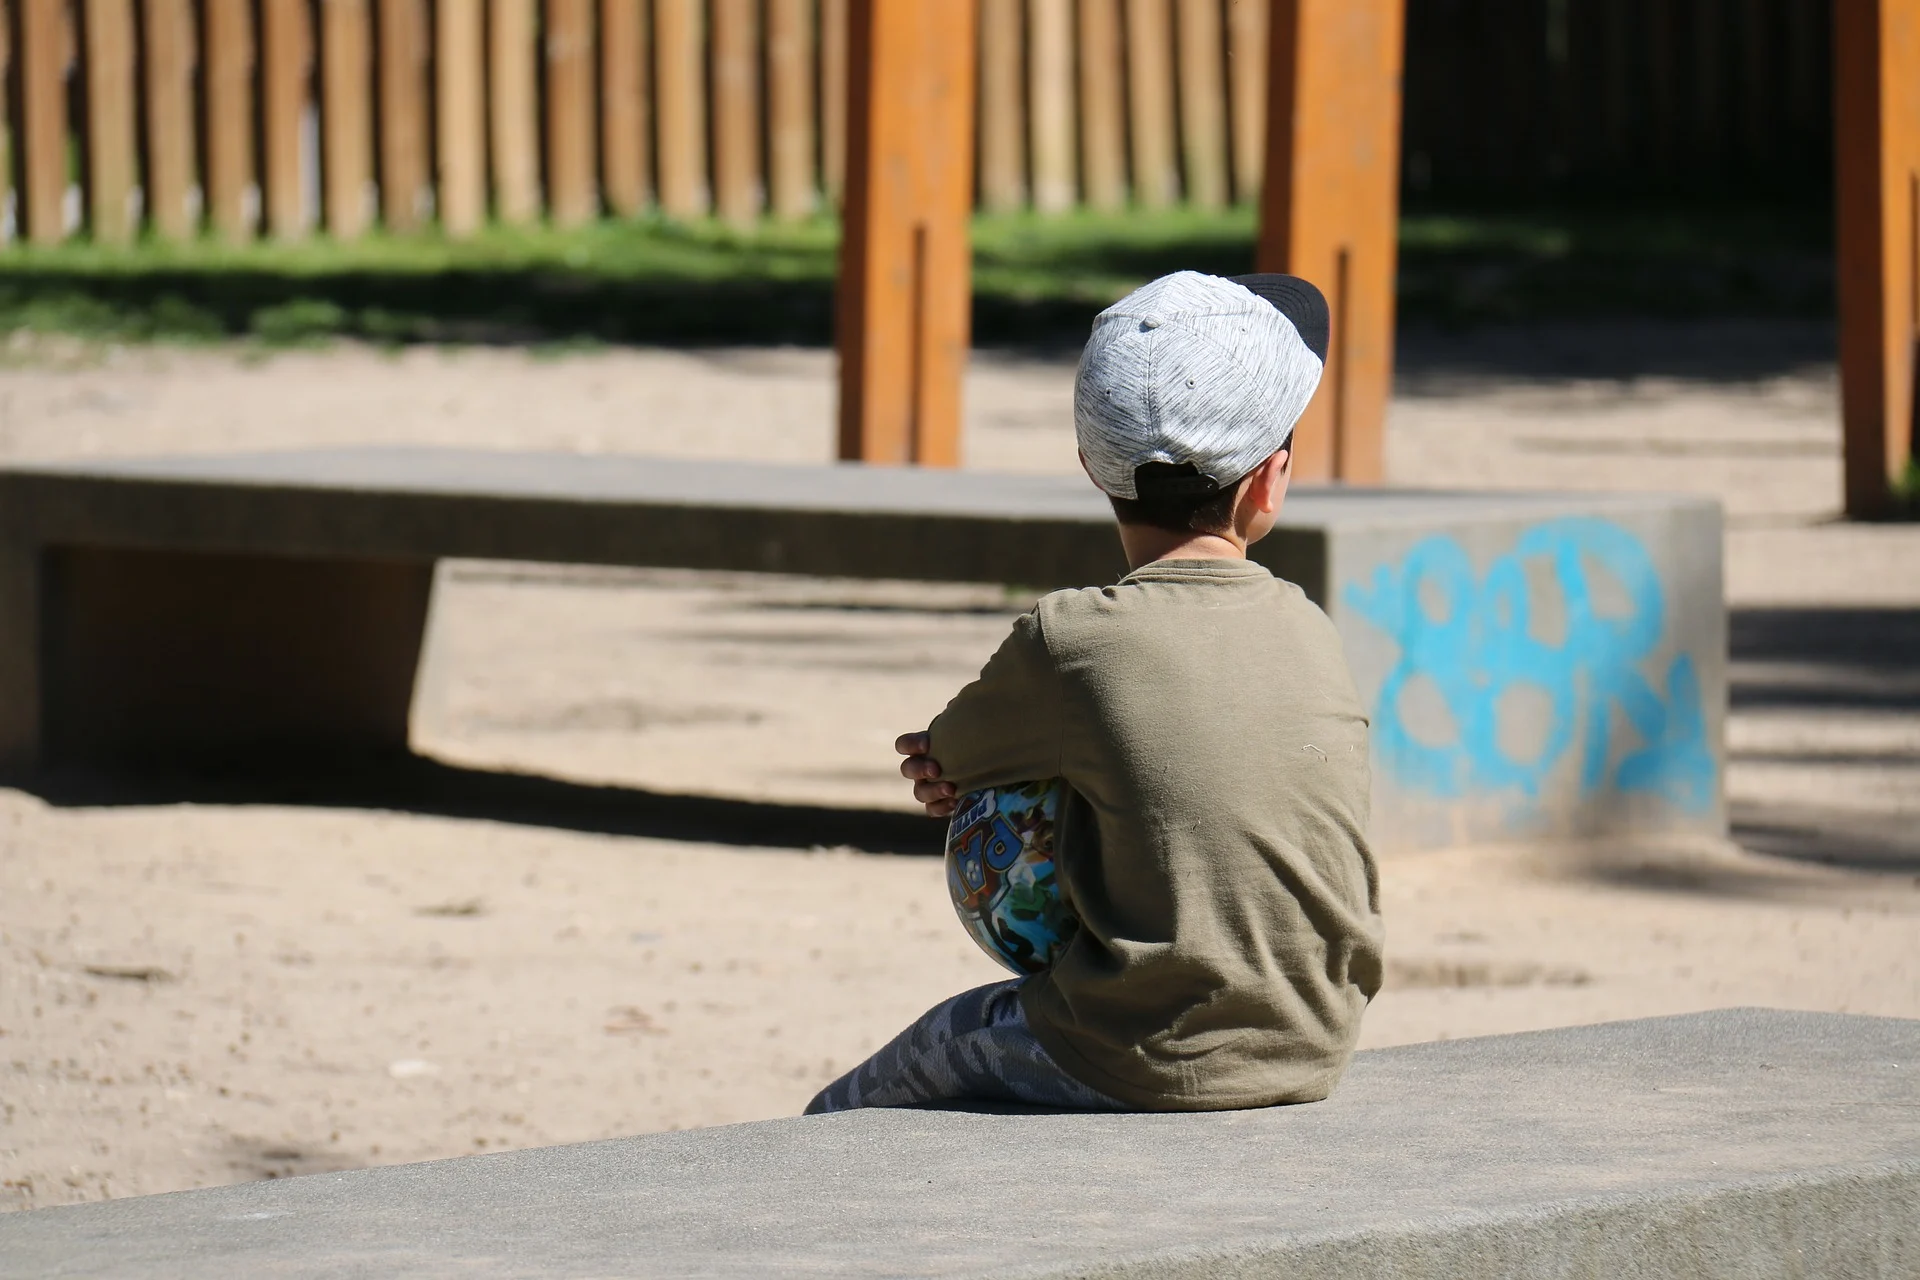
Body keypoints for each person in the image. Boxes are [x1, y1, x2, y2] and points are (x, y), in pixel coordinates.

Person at [805, 270, 1383, 1116]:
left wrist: (954, 774)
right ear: (1270, 482)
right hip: (1314, 1037)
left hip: (1131, 1048)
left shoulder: (1070, 639)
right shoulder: (1310, 626)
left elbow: (950, 753)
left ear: (1090, 465)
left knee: (889, 1079)